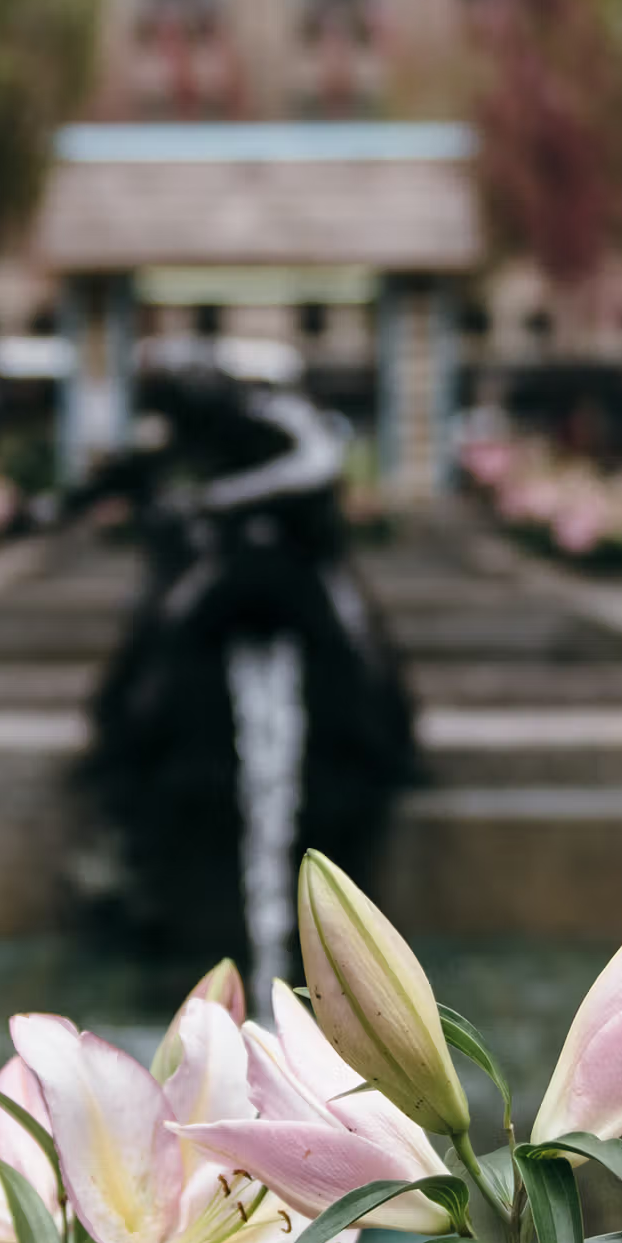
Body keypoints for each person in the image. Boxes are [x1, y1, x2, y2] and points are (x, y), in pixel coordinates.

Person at [66, 372, 416, 983]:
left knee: (355, 642)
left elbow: (312, 466)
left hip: (293, 565)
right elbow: (138, 472)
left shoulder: (278, 414)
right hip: (228, 581)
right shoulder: (193, 439)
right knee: (158, 636)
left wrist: (219, 500)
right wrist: (79, 500)